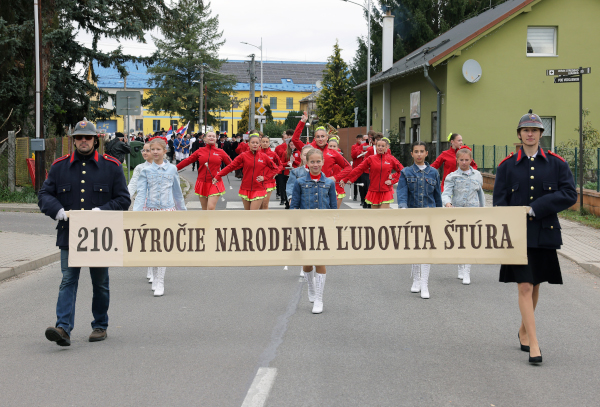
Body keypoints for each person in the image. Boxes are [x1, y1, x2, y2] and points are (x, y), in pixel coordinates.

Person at [493, 110, 577, 365]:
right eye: (526, 130)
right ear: (519, 134)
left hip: (544, 232)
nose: (530, 134)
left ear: (541, 134)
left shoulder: (556, 164)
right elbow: (499, 203)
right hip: (517, 235)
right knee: (525, 286)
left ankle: (523, 330)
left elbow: (569, 194)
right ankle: (534, 343)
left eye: (535, 130)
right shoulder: (507, 166)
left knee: (536, 283)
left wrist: (536, 207)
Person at [38, 118, 131, 346]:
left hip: (99, 236)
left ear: (95, 140)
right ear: (73, 141)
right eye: (79, 137)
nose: (83, 141)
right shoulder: (60, 166)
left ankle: (100, 325)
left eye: (87, 137)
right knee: (68, 280)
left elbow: (123, 199)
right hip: (69, 234)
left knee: (100, 283)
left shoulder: (111, 166)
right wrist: (57, 210)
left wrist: (102, 210)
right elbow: (44, 194)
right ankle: (63, 328)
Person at [133, 138, 187, 296]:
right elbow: (141, 194)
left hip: (167, 212)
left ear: (165, 151)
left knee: (163, 246)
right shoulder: (146, 171)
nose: (155, 152)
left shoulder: (172, 169)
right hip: (150, 211)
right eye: (152, 149)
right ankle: (154, 275)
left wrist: (183, 212)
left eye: (158, 149)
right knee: (152, 246)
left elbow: (177, 193)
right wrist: (136, 214)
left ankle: (160, 281)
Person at [290, 148, 338, 314]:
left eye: (318, 161)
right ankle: (311, 287)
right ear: (306, 162)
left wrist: (333, 226)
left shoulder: (329, 183)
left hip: (324, 227)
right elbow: (294, 206)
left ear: (323, 162)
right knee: (307, 262)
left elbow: (333, 207)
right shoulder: (300, 182)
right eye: (312, 162)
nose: (315, 164)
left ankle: (319, 298)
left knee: (320, 260)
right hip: (305, 227)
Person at [397, 141, 442, 299]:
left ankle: (424, 283)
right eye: (416, 151)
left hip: (429, 214)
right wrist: (403, 208)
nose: (419, 154)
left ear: (426, 153)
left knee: (427, 248)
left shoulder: (434, 173)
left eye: (422, 151)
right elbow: (402, 192)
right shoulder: (406, 172)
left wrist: (440, 213)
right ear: (412, 154)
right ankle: (416, 279)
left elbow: (437, 196)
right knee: (416, 247)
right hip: (413, 214)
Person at [441, 146, 485, 285]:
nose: (464, 162)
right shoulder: (452, 177)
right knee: (459, 241)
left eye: (466, 160)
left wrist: (483, 210)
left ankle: (467, 271)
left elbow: (480, 194)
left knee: (470, 241)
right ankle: (460, 265)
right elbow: (446, 193)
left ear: (471, 160)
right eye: (461, 160)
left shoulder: (477, 175)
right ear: (457, 160)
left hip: (473, 211)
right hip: (458, 211)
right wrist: (447, 203)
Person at [213, 133, 278, 210]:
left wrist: (265, 177)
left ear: (259, 144)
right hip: (245, 188)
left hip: (259, 188)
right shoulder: (243, 155)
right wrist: (218, 176)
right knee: (247, 213)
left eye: (257, 143)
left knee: (252, 212)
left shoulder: (264, 157)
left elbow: (275, 169)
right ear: (248, 144)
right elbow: (231, 166)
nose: (255, 144)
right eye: (253, 142)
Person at [342, 137, 403, 209]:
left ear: (387, 147)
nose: (380, 148)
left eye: (383, 146)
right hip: (373, 190)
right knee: (375, 214)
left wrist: (393, 180)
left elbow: (402, 171)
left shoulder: (391, 159)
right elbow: (358, 169)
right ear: (375, 147)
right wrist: (345, 179)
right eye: (378, 146)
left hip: (386, 190)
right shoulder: (371, 159)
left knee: (383, 213)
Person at [177, 132, 232, 210]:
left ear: (216, 139)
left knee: (211, 207)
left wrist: (220, 174)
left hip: (215, 182)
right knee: (205, 209)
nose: (211, 137)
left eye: (213, 136)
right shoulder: (200, 151)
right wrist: (174, 169)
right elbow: (187, 161)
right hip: (202, 182)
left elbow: (232, 165)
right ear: (205, 139)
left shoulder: (221, 152)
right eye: (209, 136)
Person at [290, 111, 350, 182]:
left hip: (325, 186)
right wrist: (302, 122)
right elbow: (295, 139)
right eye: (318, 137)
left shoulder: (332, 152)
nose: (320, 139)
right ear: (315, 138)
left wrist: (335, 178)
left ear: (327, 138)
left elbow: (348, 167)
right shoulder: (309, 148)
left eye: (322, 136)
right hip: (309, 185)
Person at [259, 135, 282, 210]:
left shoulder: (273, 154)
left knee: (265, 203)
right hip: (258, 181)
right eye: (263, 142)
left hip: (269, 181)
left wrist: (276, 172)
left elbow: (280, 165)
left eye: (267, 142)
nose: (265, 143)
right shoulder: (256, 153)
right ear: (260, 143)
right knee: (259, 205)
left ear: (269, 143)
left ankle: (265, 217)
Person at [326, 137, 348, 208]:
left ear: (337, 147)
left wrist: (344, 179)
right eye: (330, 146)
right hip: (326, 185)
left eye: (334, 146)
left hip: (338, 186)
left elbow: (348, 169)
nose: (332, 148)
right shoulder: (324, 156)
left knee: (335, 210)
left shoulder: (340, 157)